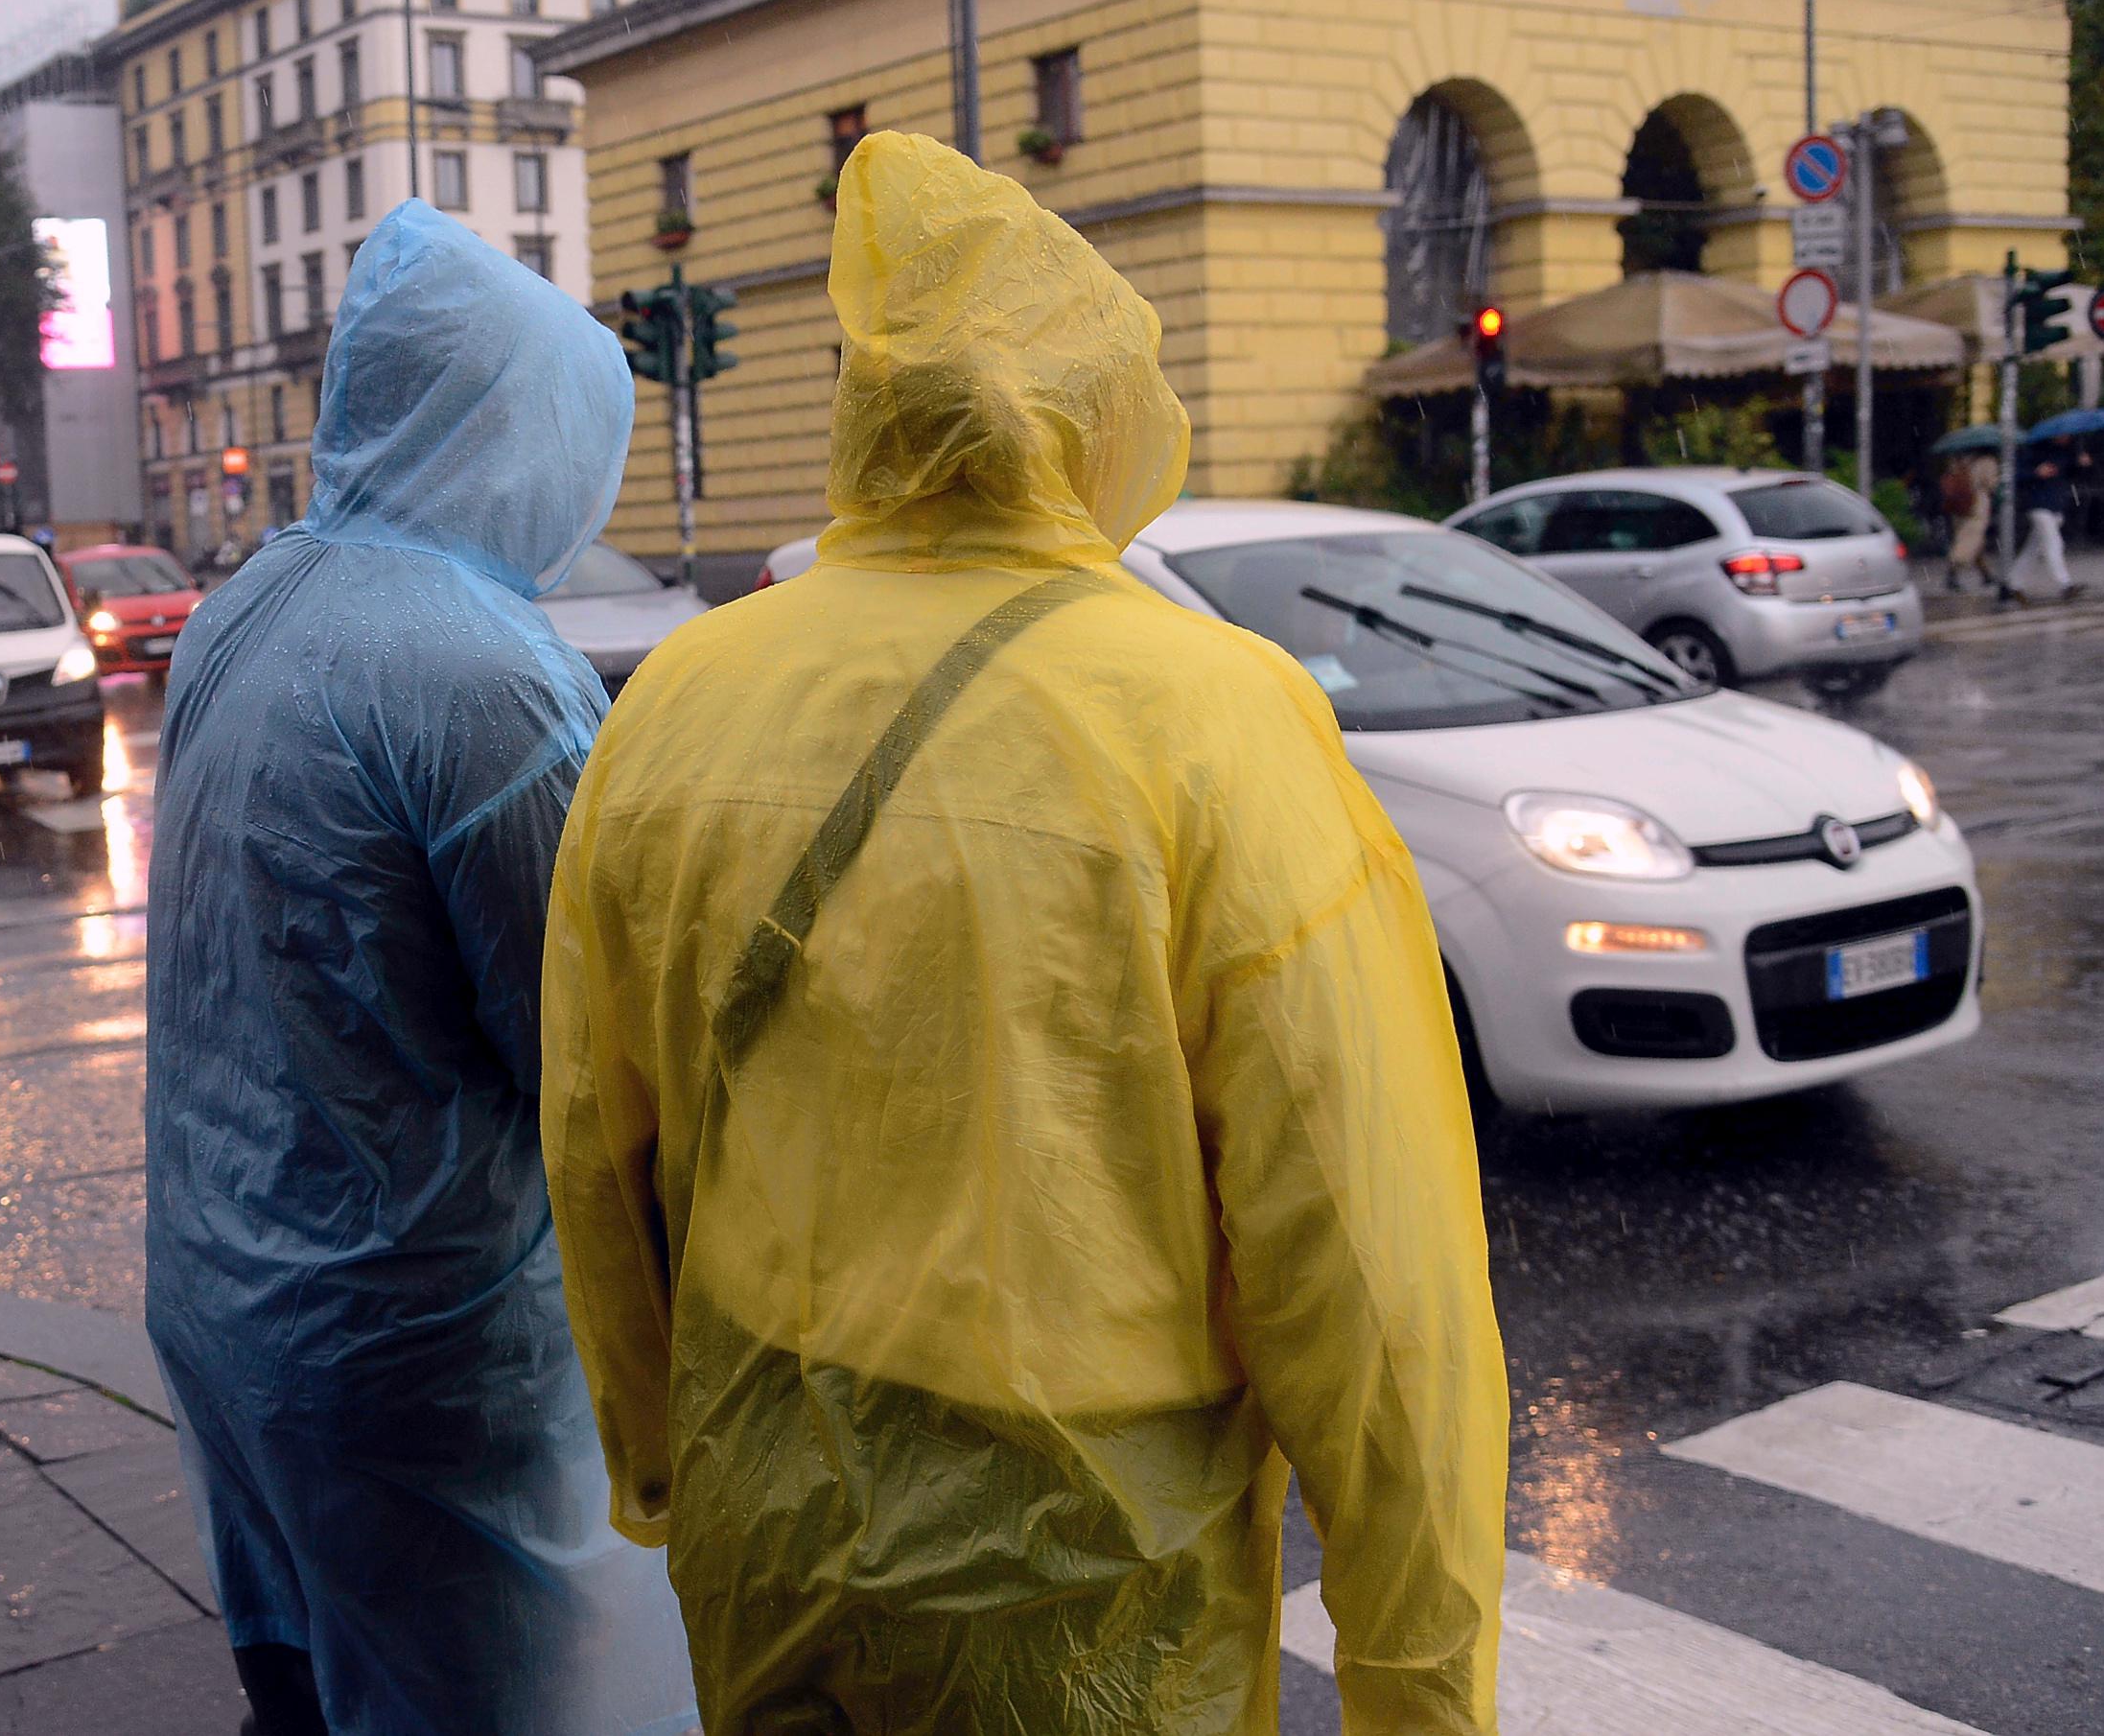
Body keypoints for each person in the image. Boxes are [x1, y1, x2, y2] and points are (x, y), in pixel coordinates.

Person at [542, 132, 1508, 1736]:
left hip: (762, 1511)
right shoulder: (1213, 718)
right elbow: (1361, 1250)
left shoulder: (674, 704)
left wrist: (661, 1457)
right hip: (1081, 1584)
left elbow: (594, 1139)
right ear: (1098, 422)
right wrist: (1421, 1685)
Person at [144, 202, 697, 1736]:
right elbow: (588, 1058)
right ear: (519, 435)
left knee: (309, 1692)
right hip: (420, 1353)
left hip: (230, 1303)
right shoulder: (480, 675)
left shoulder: (243, 608)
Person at [2001, 443, 2082, 602]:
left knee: (2033, 549)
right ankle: (2065, 584)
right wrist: (2036, 473)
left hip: (2055, 507)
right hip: (2038, 506)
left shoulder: (2065, 452)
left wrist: (2081, 463)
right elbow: (2016, 476)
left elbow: (2071, 475)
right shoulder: (2032, 452)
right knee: (2054, 544)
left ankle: (2012, 584)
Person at [1943, 448, 1995, 593]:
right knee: (1968, 541)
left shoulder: (1957, 461)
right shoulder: (1987, 461)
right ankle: (1952, 573)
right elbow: (1991, 483)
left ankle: (1986, 574)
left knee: (1974, 541)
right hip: (1977, 505)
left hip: (1959, 507)